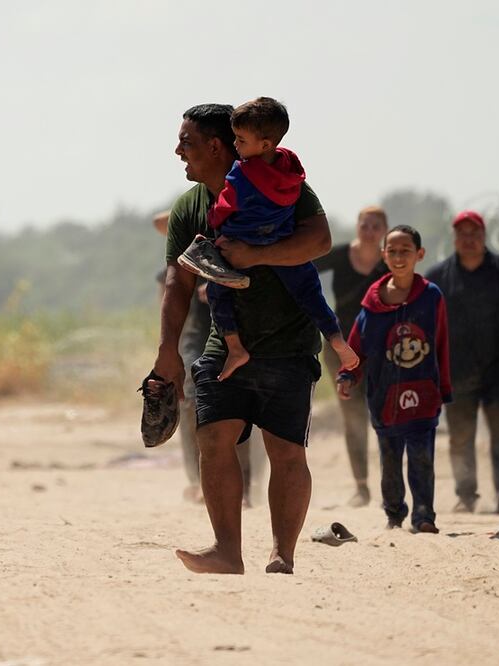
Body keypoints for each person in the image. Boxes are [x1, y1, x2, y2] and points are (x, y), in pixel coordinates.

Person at [151, 103, 332, 575]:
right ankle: (228, 551)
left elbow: (319, 241)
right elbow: (178, 282)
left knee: (285, 449)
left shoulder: (278, 182)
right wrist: (167, 351)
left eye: (186, 143)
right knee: (213, 436)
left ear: (215, 146)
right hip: (224, 338)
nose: (178, 152)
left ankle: (282, 553)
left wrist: (256, 254)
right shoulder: (190, 207)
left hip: (288, 338)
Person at [177, 98, 357, 381]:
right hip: (282, 237)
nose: (236, 146)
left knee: (216, 289)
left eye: (241, 139)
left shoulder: (241, 173)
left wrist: (215, 220)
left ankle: (235, 348)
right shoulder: (290, 167)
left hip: (241, 242)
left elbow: (227, 204)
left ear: (263, 144)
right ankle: (336, 339)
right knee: (311, 294)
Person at [338, 225, 451, 533]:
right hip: (383, 394)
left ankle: (424, 515)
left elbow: (441, 344)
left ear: (420, 254)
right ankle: (394, 513)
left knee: (422, 457)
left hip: (424, 393)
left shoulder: (431, 297)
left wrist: (444, 387)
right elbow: (357, 344)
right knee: (390, 459)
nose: (399, 257)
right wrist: (348, 373)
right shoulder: (373, 301)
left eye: (406, 251)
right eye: (393, 251)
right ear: (383, 255)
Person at [425, 210, 499, 514]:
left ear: (484, 236)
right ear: (455, 238)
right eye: (463, 234)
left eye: (475, 233)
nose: (469, 240)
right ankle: (466, 495)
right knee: (460, 437)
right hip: (456, 370)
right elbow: (423, 313)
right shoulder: (439, 276)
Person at [153, 212, 254, 506]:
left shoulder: (235, 238)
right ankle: (197, 481)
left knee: (241, 406)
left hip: (239, 331)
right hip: (196, 335)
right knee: (189, 403)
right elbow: (159, 222)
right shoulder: (185, 252)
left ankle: (244, 486)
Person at [315, 206, 389, 506]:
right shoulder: (341, 255)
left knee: (384, 415)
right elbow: (302, 269)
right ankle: (361, 487)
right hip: (339, 345)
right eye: (364, 224)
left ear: (384, 230)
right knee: (352, 416)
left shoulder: (391, 262)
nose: (369, 230)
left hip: (381, 349)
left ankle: (390, 484)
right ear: (357, 227)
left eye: (375, 226)